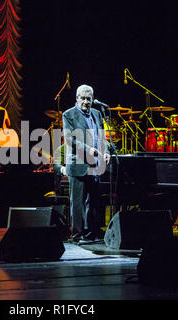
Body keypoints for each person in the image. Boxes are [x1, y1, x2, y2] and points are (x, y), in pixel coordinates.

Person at [62, 84, 110, 243]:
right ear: (77, 98)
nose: (85, 101)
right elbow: (70, 139)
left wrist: (106, 152)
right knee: (78, 202)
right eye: (82, 98)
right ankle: (77, 235)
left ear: (92, 99)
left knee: (93, 201)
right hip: (78, 164)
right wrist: (89, 150)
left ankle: (91, 232)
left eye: (88, 98)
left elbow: (102, 137)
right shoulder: (68, 114)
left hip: (95, 164)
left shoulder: (97, 113)